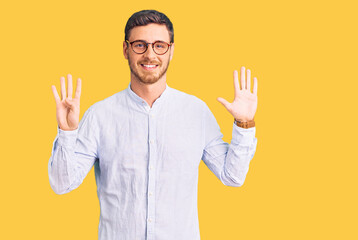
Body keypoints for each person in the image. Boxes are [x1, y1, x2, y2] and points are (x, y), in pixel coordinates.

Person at [48, 9, 258, 240]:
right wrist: (67, 132)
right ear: (126, 50)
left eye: (159, 45)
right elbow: (61, 183)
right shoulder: (99, 115)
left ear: (171, 50)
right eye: (140, 45)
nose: (150, 54)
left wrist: (244, 123)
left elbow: (232, 176)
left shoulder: (196, 112)